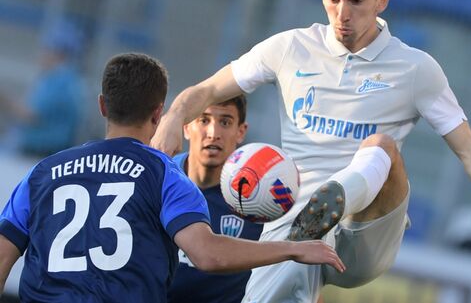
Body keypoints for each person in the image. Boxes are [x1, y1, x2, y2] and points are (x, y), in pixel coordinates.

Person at [151, 0, 471, 302]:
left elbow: (468, 147)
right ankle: (312, 221)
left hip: (366, 229)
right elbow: (208, 89)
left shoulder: (416, 68)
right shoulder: (290, 48)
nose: (343, 13)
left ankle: (334, 201)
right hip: (293, 223)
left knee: (380, 145)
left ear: (382, 0)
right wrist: (173, 117)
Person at [0, 53, 344, 302]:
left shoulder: (43, 173)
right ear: (158, 112)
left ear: (103, 106)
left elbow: (3, 256)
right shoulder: (165, 175)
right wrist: (293, 249)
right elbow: (207, 255)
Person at [167, 95, 263, 303]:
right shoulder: (159, 179)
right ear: (186, 127)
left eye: (225, 122)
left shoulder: (259, 197)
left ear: (241, 131)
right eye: (204, 120)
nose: (213, 133)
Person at [0, 19, 84, 157]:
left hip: (42, 154)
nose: (41, 54)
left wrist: (3, 98)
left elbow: (30, 115)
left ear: (59, 52)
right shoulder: (61, 78)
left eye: (46, 49)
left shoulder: (61, 80)